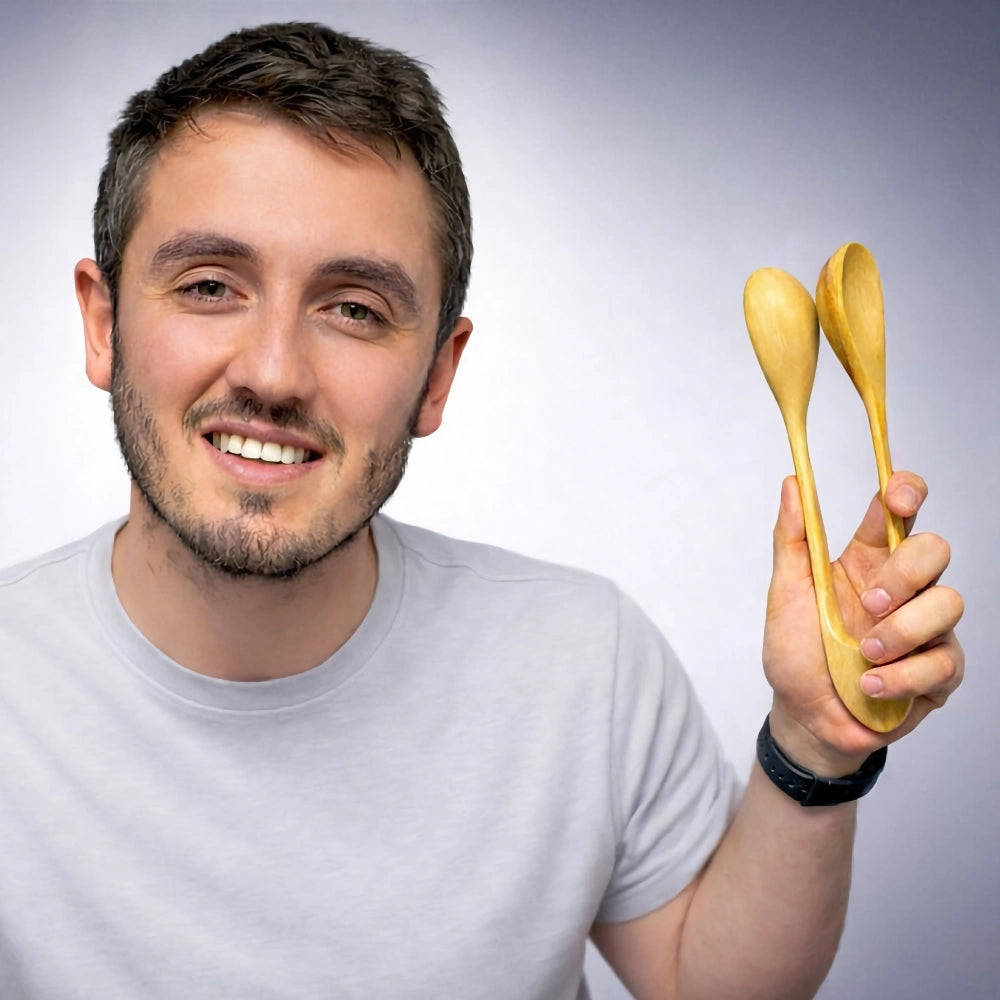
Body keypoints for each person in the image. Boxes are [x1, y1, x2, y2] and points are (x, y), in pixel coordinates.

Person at [0, 21, 963, 1000]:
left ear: (436, 376)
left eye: (353, 308)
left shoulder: (583, 658)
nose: (274, 372)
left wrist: (815, 747)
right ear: (104, 323)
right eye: (210, 286)